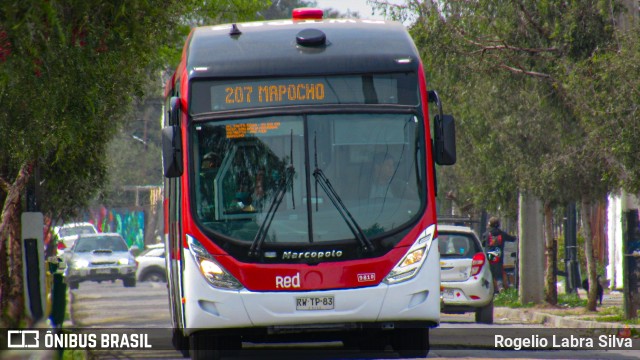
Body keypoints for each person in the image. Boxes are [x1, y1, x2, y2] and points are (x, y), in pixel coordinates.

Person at [482, 216, 517, 293]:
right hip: (498, 256)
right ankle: (500, 287)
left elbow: (483, 244)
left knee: (489, 274)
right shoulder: (502, 234)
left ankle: (489, 290)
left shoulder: (486, 234)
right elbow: (512, 239)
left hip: (489, 257)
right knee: (498, 274)